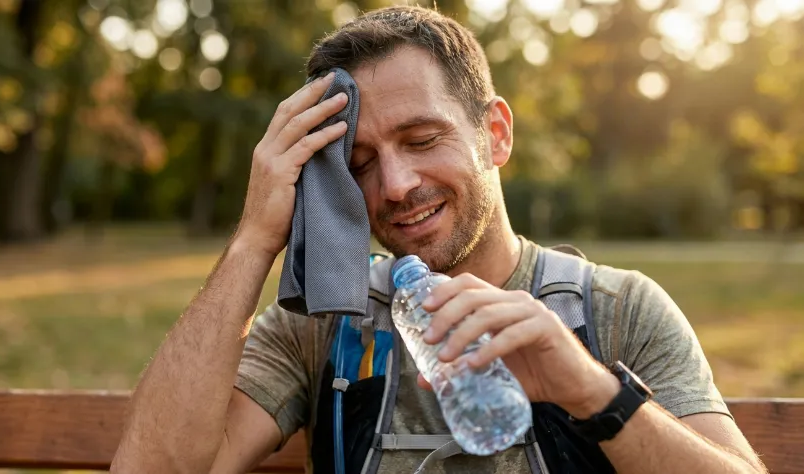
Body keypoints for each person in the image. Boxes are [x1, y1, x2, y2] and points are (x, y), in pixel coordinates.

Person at [111, 6, 766, 474]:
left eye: (423, 141)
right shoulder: (321, 325)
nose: (395, 185)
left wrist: (590, 389)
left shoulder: (617, 310)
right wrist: (256, 239)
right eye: (360, 164)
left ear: (496, 134)